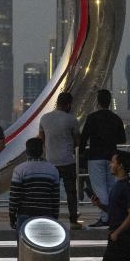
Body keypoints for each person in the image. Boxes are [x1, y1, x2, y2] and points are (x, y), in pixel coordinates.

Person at [7, 136, 60, 261]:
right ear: (42, 150)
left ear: (27, 151)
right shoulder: (53, 170)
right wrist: (54, 218)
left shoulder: (20, 169)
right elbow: (55, 198)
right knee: (45, 253)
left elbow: (15, 196)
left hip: (25, 216)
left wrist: (12, 216)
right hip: (46, 217)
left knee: (23, 254)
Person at [80, 89, 127, 228]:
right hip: (112, 157)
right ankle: (113, 215)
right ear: (109, 102)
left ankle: (106, 217)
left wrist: (80, 152)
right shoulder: (116, 118)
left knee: (99, 188)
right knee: (111, 186)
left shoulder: (92, 118)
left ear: (98, 102)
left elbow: (83, 138)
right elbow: (122, 139)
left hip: (95, 156)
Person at [38, 92, 84, 228]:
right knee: (71, 193)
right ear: (69, 104)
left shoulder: (44, 118)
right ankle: (73, 220)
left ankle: (52, 218)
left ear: (57, 102)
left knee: (51, 193)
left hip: (50, 161)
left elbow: (41, 140)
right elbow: (77, 142)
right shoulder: (71, 120)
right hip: (68, 161)